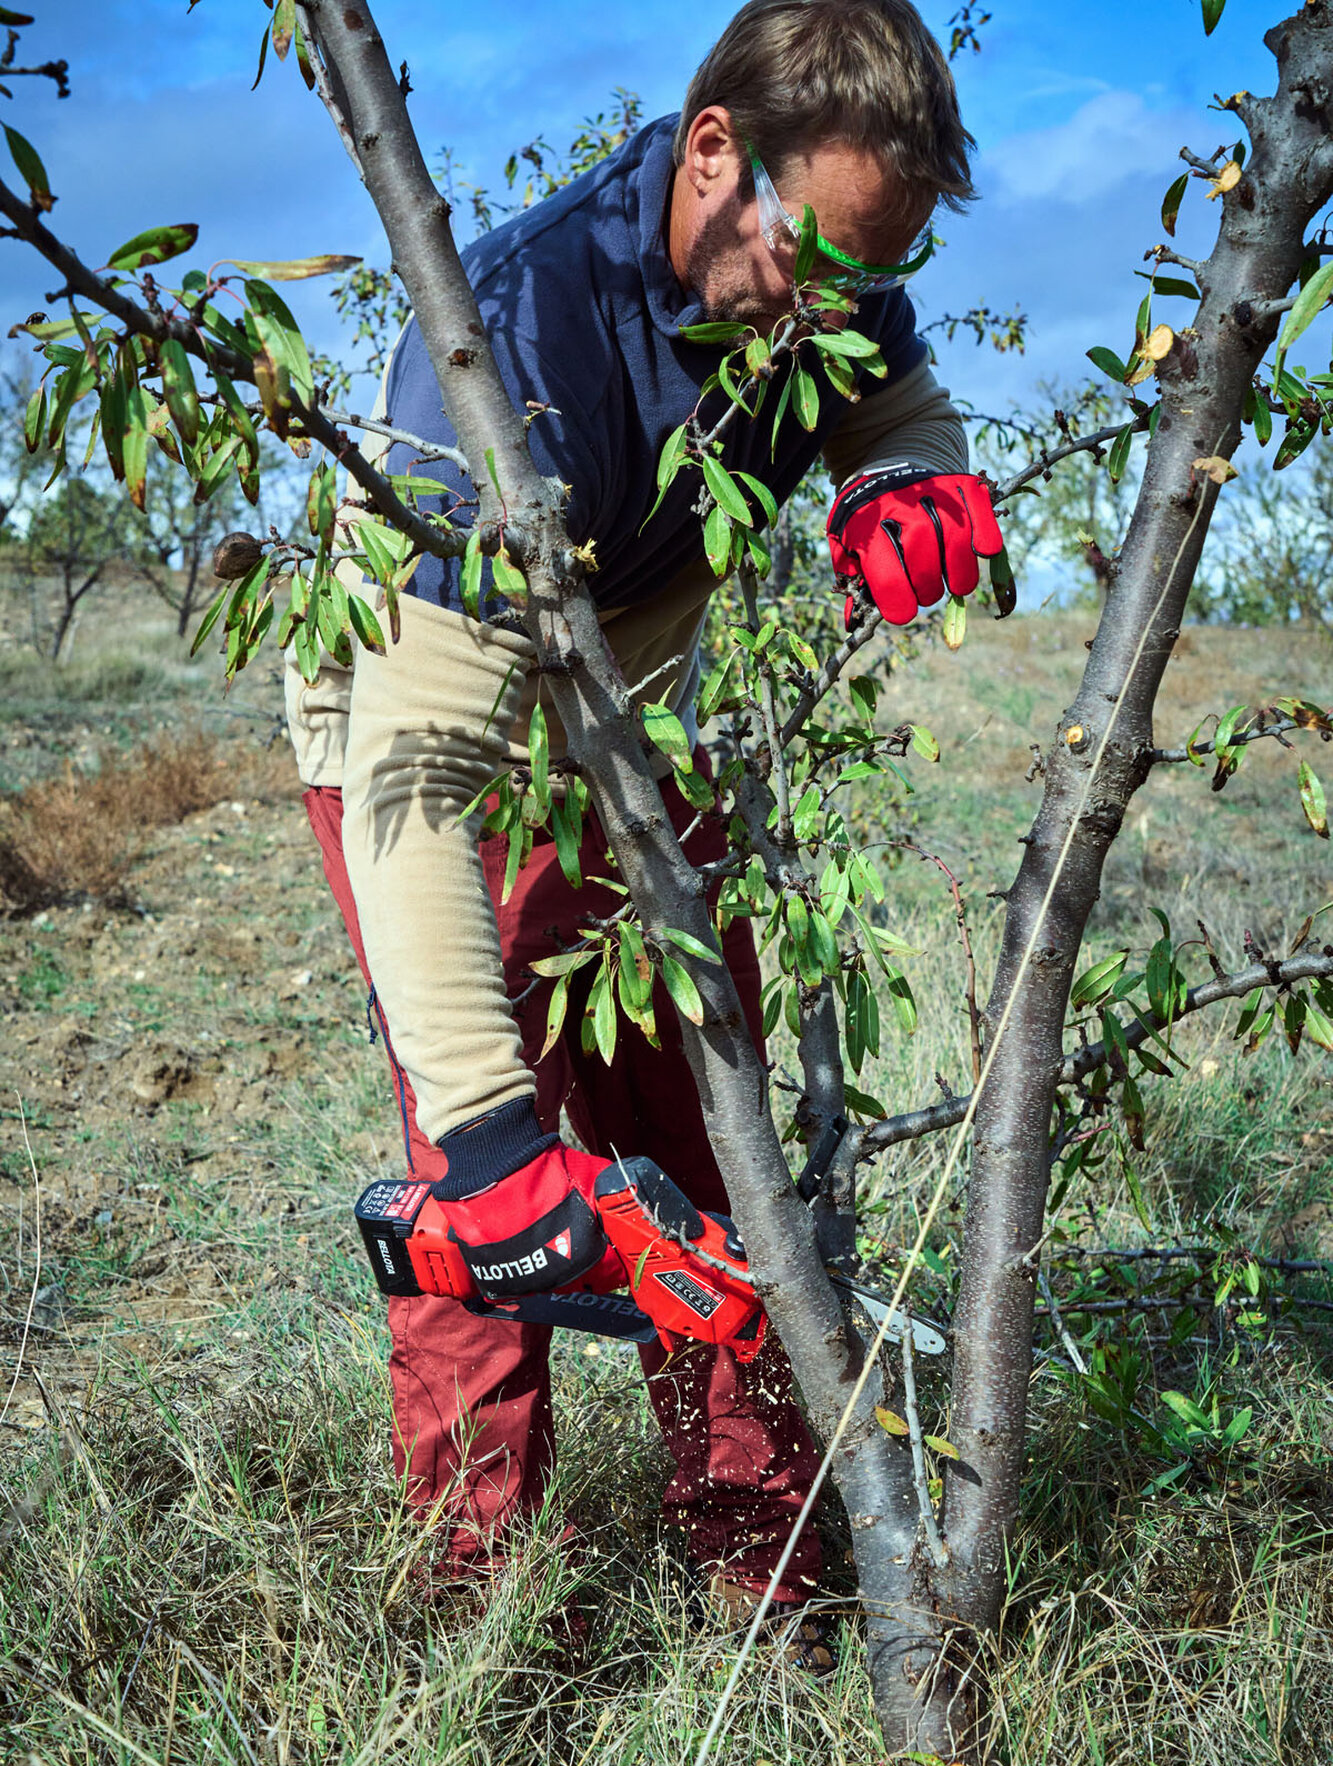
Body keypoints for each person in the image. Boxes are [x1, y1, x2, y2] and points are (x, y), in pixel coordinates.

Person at [286, 0, 1002, 1624]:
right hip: (420, 748)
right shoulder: (516, 348)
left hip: (622, 726)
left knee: (714, 1141)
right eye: (812, 264)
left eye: (867, 279)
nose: (832, 311)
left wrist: (905, 469)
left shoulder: (824, 276)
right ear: (709, 155)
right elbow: (418, 786)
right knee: (501, 1201)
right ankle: (477, 1610)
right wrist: (485, 1142)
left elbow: (890, 396)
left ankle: (764, 1570)